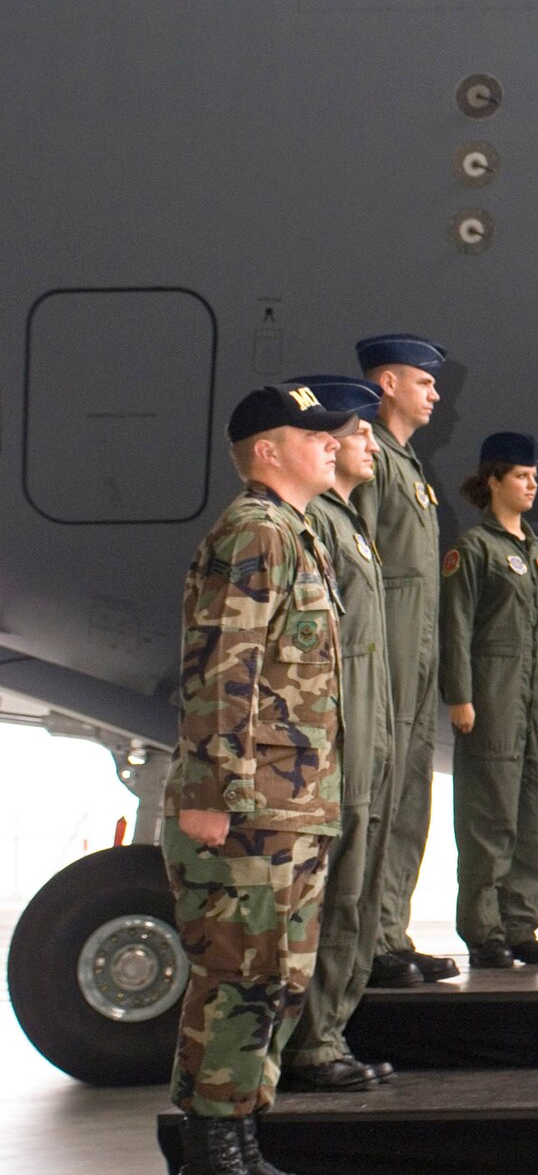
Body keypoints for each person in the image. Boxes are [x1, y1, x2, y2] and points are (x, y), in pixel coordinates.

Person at [164, 385, 357, 1175]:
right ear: (267, 451)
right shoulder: (256, 534)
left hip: (292, 806)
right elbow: (223, 665)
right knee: (238, 979)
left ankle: (238, 1135)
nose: (329, 445)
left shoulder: (296, 535)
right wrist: (213, 794)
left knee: (276, 980)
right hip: (247, 808)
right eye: (310, 435)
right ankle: (214, 1145)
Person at [278, 376, 408, 1098]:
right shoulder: (322, 521)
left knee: (357, 885)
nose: (372, 447)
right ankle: (312, 1043)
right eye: (362, 435)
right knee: (336, 890)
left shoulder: (350, 519)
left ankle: (330, 1031)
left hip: (372, 724)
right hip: (344, 730)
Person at [353, 333, 460, 985]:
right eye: (425, 382)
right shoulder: (372, 459)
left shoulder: (409, 465)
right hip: (384, 657)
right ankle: (362, 943)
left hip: (414, 658)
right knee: (378, 798)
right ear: (388, 382)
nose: (436, 394)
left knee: (410, 797)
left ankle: (388, 930)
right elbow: (358, 564)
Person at [441, 432, 538, 970]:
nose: (531, 484)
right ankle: (483, 930)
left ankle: (521, 925)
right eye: (520, 476)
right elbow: (456, 626)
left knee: (531, 816)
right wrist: (460, 696)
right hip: (491, 698)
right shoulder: (474, 549)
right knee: (488, 816)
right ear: (492, 481)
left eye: (534, 476)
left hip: (534, 704)